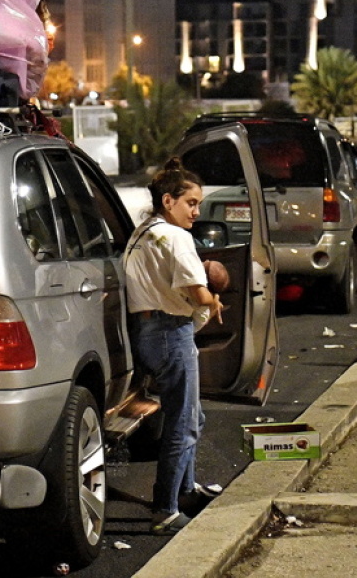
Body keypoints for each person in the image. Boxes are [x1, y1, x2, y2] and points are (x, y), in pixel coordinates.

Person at [124, 157, 223, 536]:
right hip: (170, 332)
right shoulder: (177, 237)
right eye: (191, 203)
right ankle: (165, 509)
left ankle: (186, 490)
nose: (197, 212)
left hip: (147, 331)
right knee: (182, 423)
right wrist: (213, 301)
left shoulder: (142, 232)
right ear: (169, 201)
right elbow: (197, 292)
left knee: (191, 418)